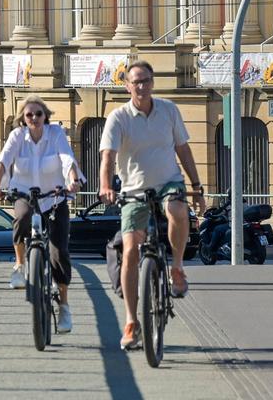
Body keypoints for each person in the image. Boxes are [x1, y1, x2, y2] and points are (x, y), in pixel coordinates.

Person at [99, 59, 203, 352]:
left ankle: (178, 269)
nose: (142, 86)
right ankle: (132, 321)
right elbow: (107, 157)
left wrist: (196, 186)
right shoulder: (118, 118)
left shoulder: (169, 110)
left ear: (152, 82)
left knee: (177, 210)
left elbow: (183, 148)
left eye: (146, 80)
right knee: (131, 249)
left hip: (168, 181)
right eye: (136, 82)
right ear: (127, 85)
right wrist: (106, 186)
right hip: (133, 189)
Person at [0, 98, 83, 333]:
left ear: (45, 116)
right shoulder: (17, 136)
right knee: (21, 218)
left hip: (54, 198)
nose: (34, 118)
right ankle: (20, 264)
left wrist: (72, 180)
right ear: (23, 118)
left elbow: (66, 158)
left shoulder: (56, 133)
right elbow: (3, 160)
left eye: (38, 114)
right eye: (29, 115)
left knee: (58, 251)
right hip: (25, 195)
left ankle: (64, 305)